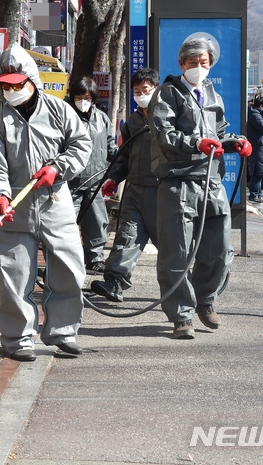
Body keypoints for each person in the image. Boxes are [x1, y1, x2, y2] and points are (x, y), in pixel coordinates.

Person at [0, 44, 92, 362]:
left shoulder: (59, 110)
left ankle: (63, 331)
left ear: (32, 80)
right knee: (14, 274)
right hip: (15, 207)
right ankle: (17, 339)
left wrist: (58, 168)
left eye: (19, 84)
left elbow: (82, 144)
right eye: (7, 85)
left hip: (55, 201)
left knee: (69, 268)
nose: (13, 90)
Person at [149, 38, 252, 339]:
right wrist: (194, 143)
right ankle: (181, 316)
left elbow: (218, 132)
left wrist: (235, 143)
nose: (198, 67)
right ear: (181, 64)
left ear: (210, 65)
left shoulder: (211, 93)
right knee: (177, 253)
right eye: (192, 62)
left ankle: (206, 301)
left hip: (211, 181)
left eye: (203, 63)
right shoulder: (167, 93)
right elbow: (164, 133)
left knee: (219, 248)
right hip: (178, 181)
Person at [91, 68, 160, 302]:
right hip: (135, 192)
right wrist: (113, 178)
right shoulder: (132, 122)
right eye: (137, 91)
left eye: (146, 90)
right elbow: (124, 155)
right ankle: (114, 282)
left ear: (157, 90)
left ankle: (186, 291)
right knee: (126, 237)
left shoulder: (170, 119)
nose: (141, 95)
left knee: (174, 248)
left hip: (164, 194)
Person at [67, 77, 119, 275]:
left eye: (87, 97)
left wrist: (124, 157)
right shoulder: (66, 116)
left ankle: (95, 259)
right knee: (67, 223)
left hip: (95, 182)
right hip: (70, 183)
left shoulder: (102, 118)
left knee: (97, 222)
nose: (82, 100)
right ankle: (68, 259)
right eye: (79, 96)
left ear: (94, 97)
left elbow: (109, 146)